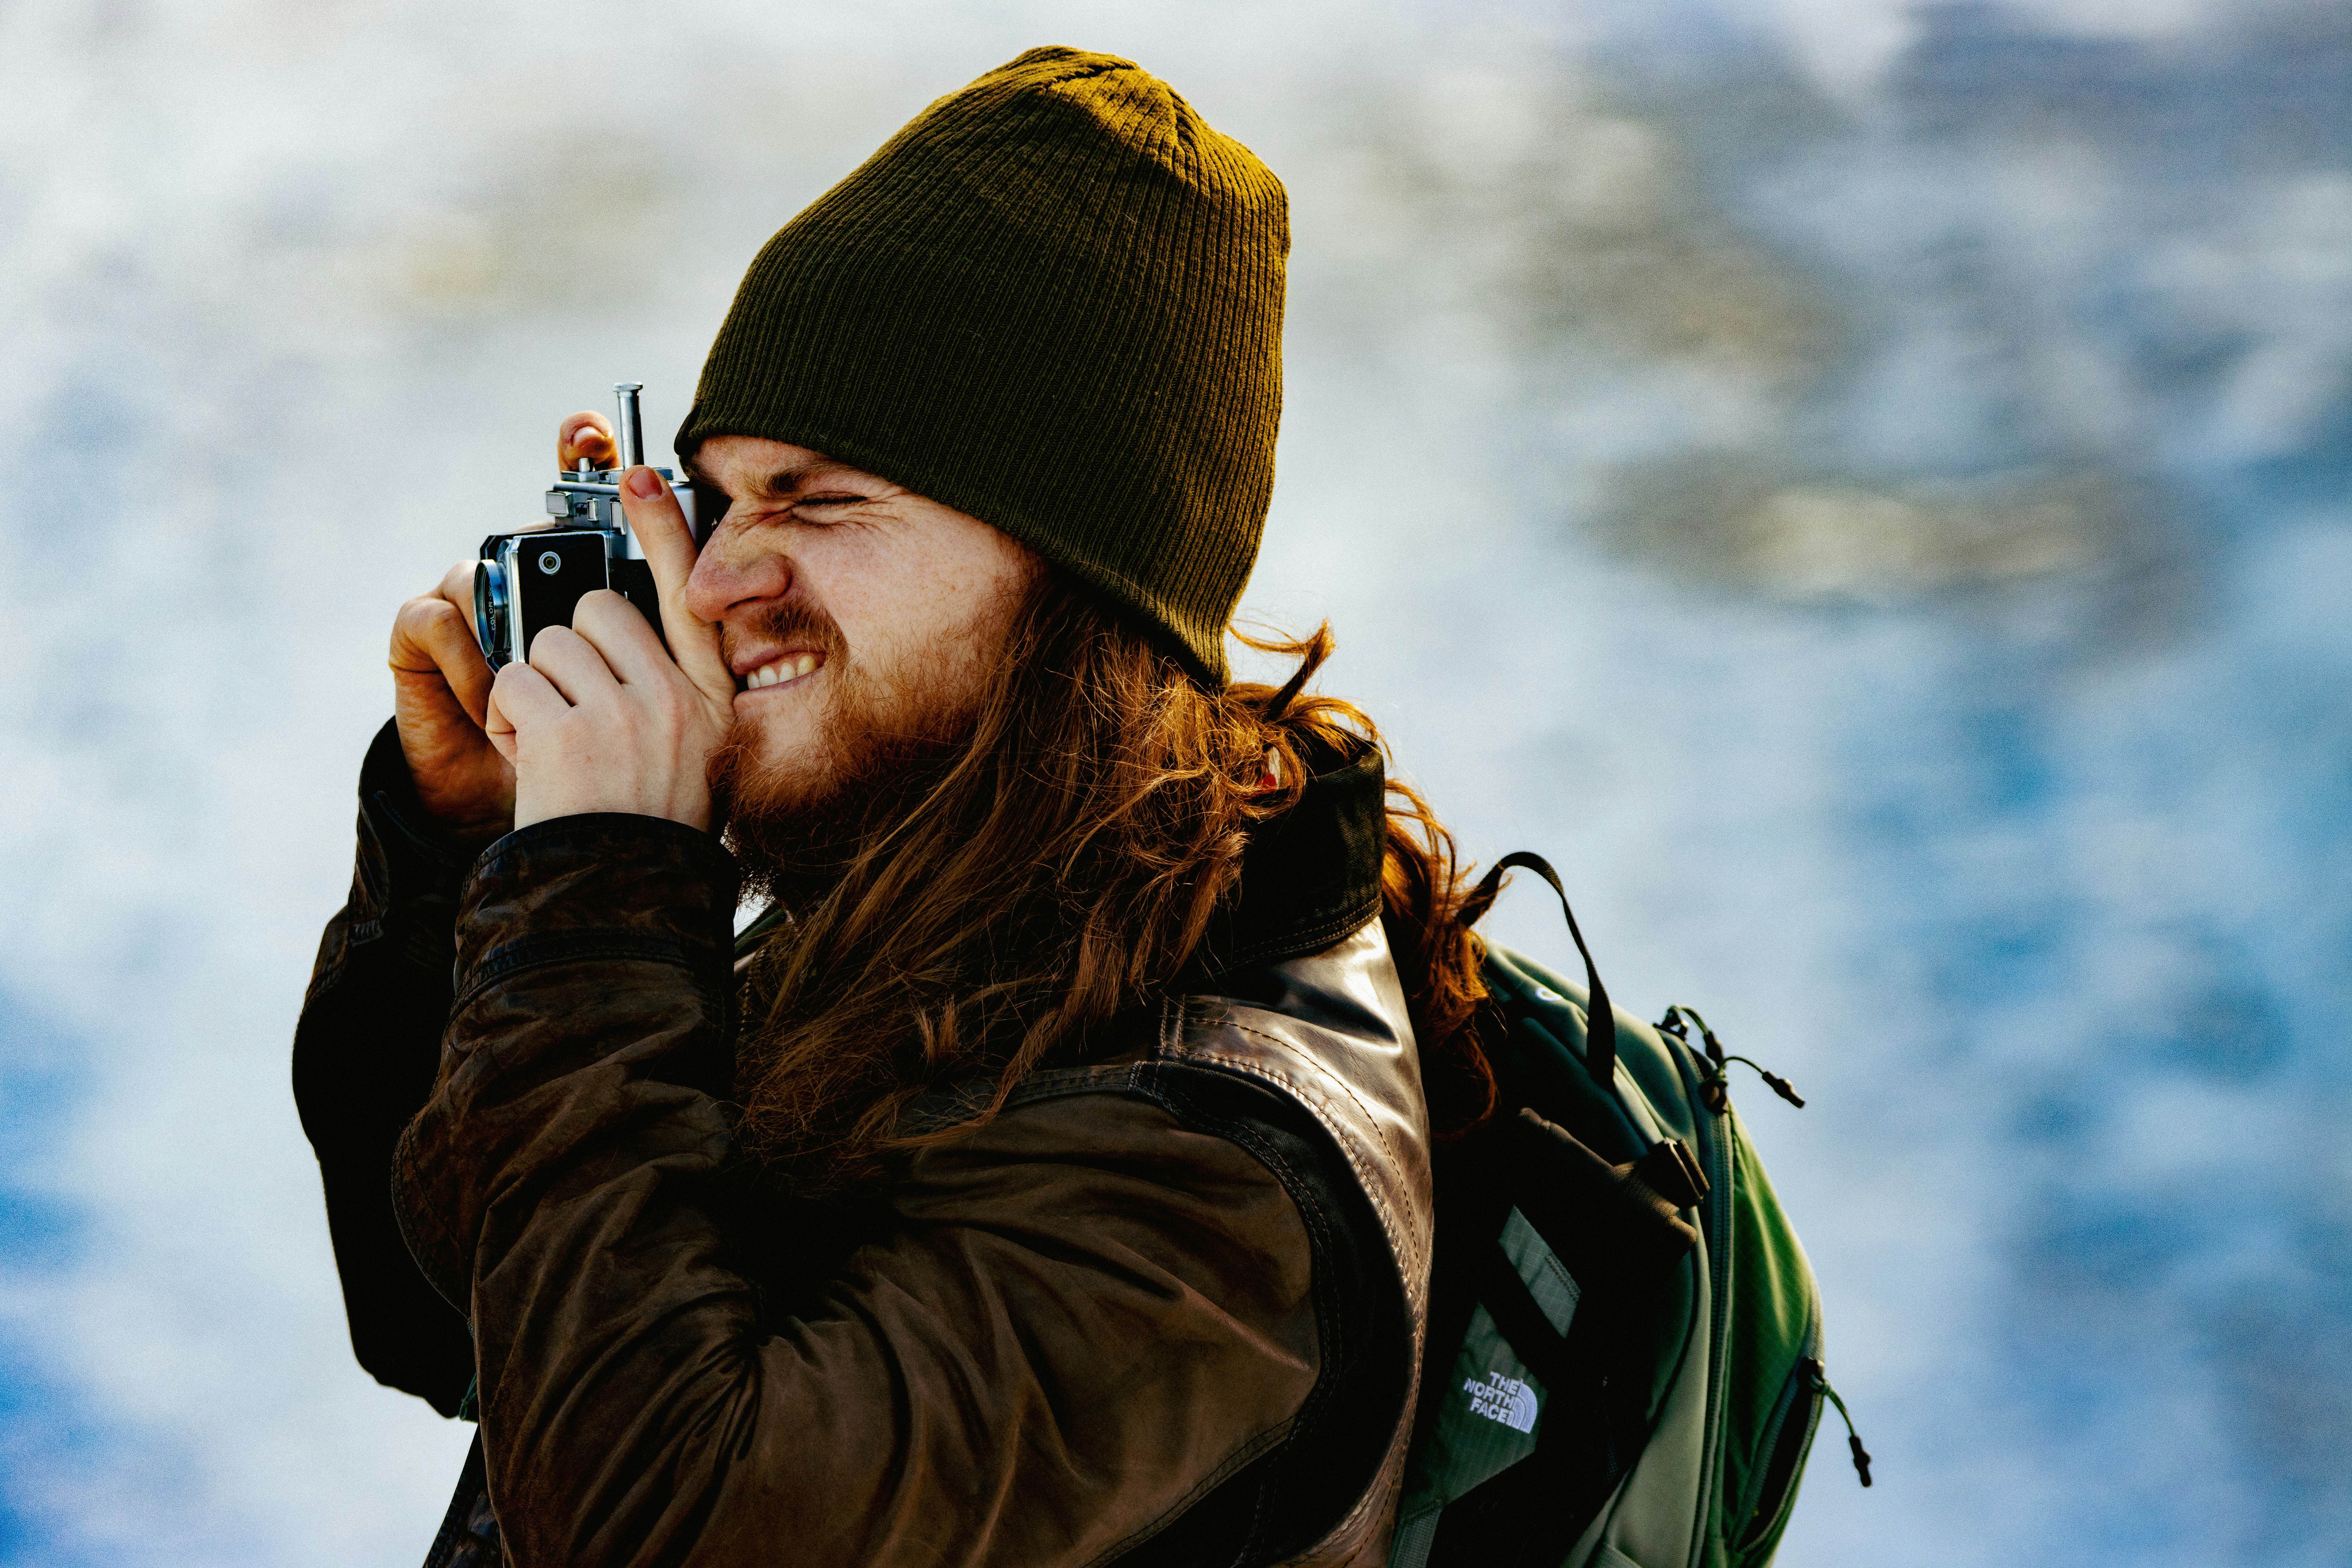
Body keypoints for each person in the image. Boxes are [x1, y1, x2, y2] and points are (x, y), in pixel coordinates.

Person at [293, 45, 1498, 1567]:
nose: (720, 582)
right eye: (718, 498)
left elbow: (664, 1528)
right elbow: (451, 1313)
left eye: (824, 500)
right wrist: (475, 860)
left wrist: (605, 889)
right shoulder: (946, 902)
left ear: (1076, 573)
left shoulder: (1210, 1184)